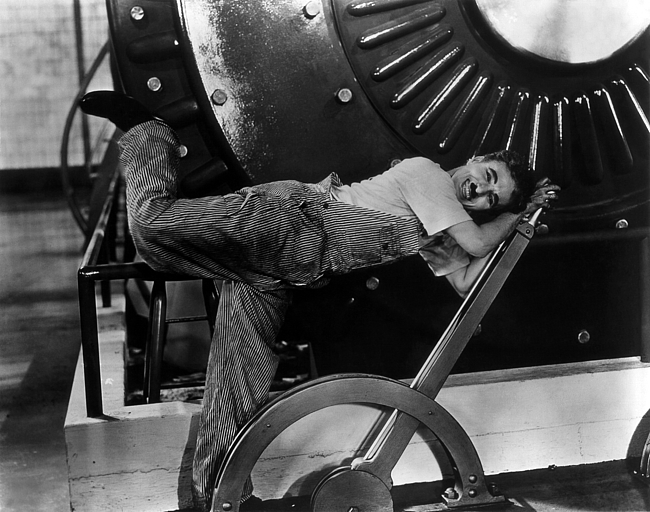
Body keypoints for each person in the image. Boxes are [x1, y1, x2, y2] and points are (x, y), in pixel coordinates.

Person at [80, 91, 560, 510]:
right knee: (152, 228)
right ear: (476, 158)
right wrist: (517, 215)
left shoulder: (440, 225)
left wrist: (518, 228)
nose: (482, 189)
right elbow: (477, 243)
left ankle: (223, 498)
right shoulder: (427, 175)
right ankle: (150, 133)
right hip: (286, 221)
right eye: (489, 174)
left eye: (491, 198)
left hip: (287, 271)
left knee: (238, 379)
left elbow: (466, 282)